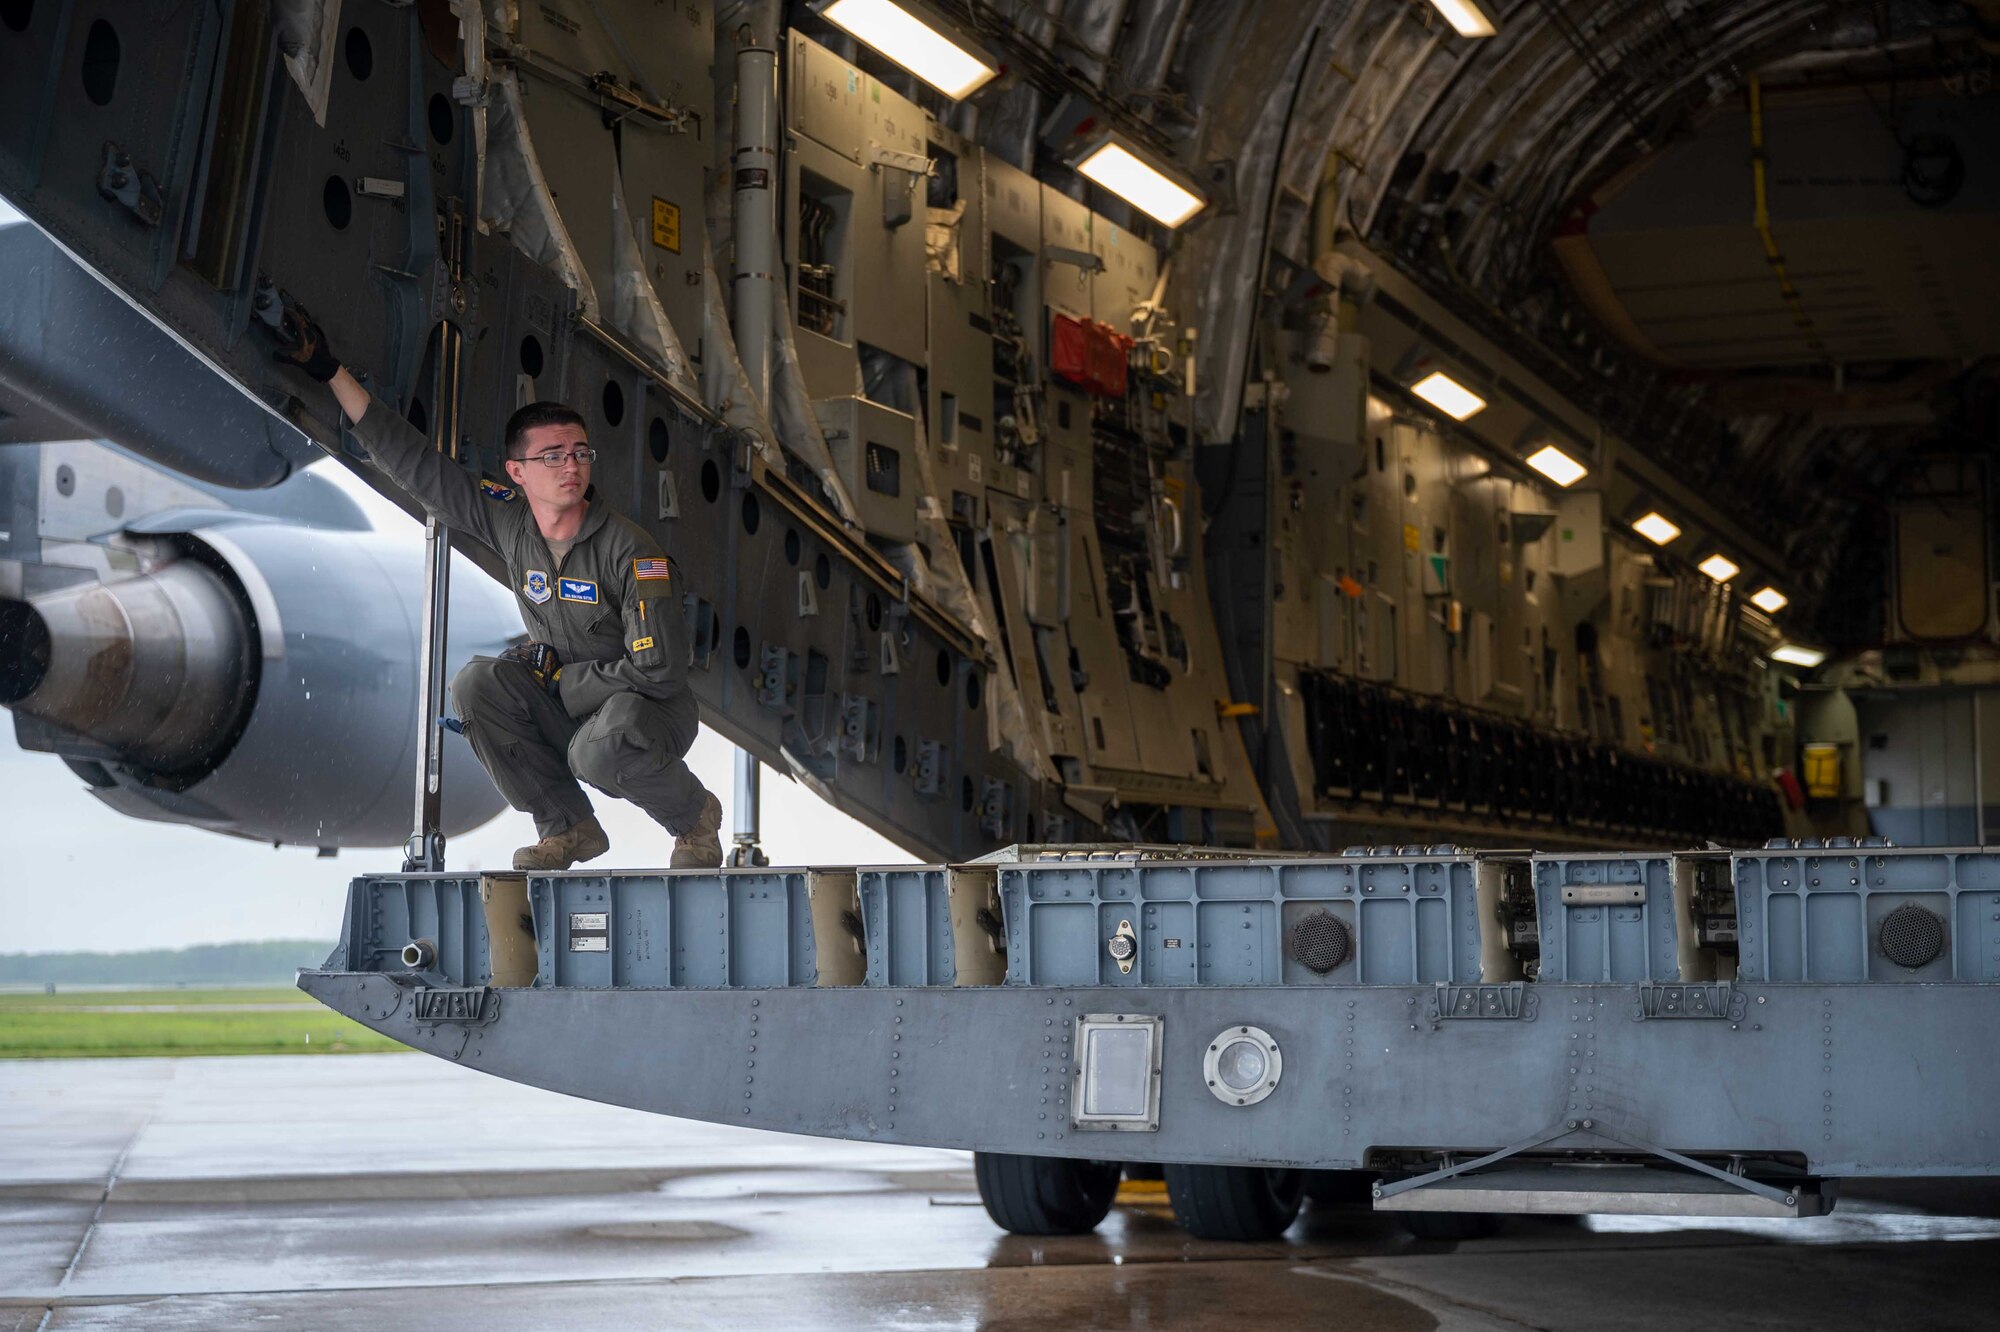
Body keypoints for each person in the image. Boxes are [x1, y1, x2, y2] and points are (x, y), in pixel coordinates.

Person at [273, 311, 723, 869]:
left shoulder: (633, 554)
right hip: (576, 710)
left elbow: (659, 673)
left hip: (647, 713)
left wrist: (565, 679)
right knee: (477, 686)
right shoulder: (511, 524)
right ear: (517, 472)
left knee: (597, 749)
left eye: (580, 453)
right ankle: (568, 827)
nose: (571, 467)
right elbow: (420, 469)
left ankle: (693, 818)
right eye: (553, 456)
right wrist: (329, 371)